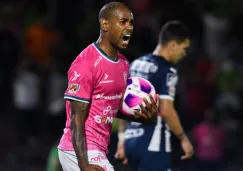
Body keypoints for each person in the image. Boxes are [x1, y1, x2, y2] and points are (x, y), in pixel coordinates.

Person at [58, 2, 158, 171]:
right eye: (123, 22)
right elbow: (76, 117)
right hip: (78, 151)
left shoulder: (124, 64)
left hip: (99, 148)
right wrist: (83, 164)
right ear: (105, 24)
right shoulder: (86, 63)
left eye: (131, 23)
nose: (129, 27)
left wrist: (143, 118)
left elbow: (111, 108)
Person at [115, 21, 194, 171]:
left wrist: (121, 139)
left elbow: (121, 104)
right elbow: (166, 109)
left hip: (131, 141)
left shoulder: (136, 64)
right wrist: (183, 137)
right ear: (172, 45)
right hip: (152, 142)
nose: (183, 54)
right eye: (183, 48)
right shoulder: (167, 71)